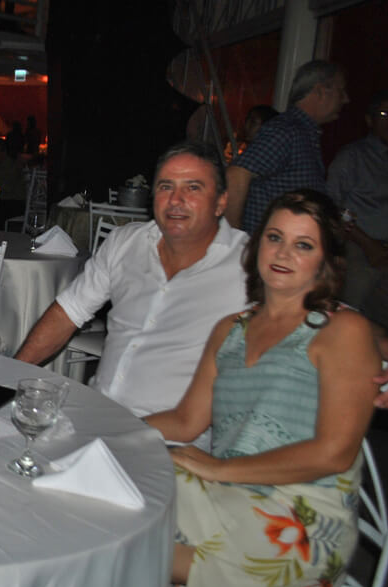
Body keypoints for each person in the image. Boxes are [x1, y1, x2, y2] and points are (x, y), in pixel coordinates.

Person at [145, 189, 380, 587]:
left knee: (135, 537)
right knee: (133, 483)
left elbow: (335, 453)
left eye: (303, 245)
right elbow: (185, 421)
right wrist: (111, 430)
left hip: (302, 515)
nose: (283, 253)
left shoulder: (342, 330)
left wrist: (220, 469)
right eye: (275, 237)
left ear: (325, 262)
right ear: (257, 245)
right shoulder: (230, 330)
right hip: (224, 496)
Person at [15, 140, 248, 420]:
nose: (176, 199)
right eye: (166, 186)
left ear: (221, 202)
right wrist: (10, 375)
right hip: (96, 414)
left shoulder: (247, 265)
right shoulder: (126, 243)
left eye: (193, 187)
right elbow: (67, 313)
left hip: (173, 434)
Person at [226, 60, 349, 233]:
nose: (346, 99)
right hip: (268, 245)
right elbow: (236, 175)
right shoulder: (287, 131)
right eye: (341, 91)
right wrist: (234, 240)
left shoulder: (302, 133)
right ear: (321, 91)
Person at [326, 89, 388, 320]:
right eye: (384, 114)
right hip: (359, 249)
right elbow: (331, 206)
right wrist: (367, 243)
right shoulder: (353, 156)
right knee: (351, 315)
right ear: (369, 120)